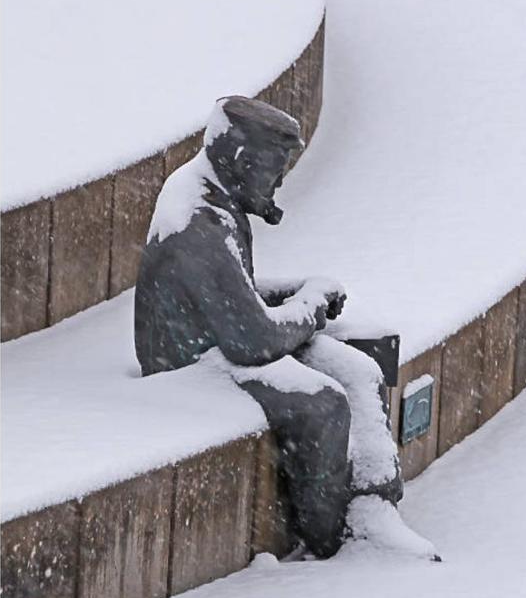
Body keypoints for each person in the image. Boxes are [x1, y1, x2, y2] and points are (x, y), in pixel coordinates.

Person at [135, 95, 435, 560]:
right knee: (323, 404)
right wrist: (310, 306)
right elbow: (253, 341)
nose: (278, 183)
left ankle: (374, 509)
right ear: (238, 158)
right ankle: (331, 538)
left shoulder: (211, 196)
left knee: (359, 371)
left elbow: (233, 294)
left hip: (221, 341)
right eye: (273, 170)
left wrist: (294, 292)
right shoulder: (199, 223)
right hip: (191, 365)